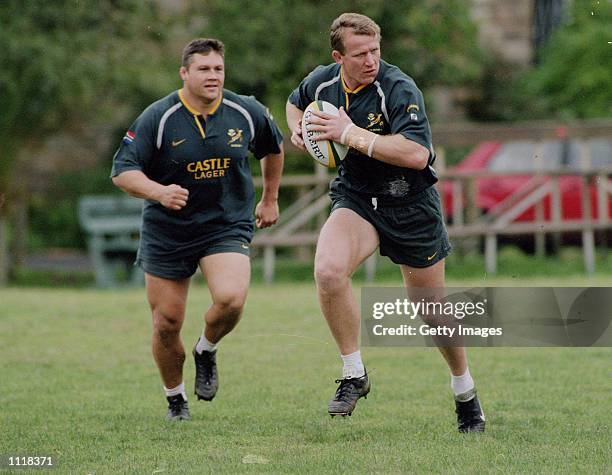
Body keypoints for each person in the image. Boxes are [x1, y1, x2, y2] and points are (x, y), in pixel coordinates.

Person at [286, 13, 485, 432]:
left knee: (431, 311)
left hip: (409, 202)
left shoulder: (397, 88)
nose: (371, 60)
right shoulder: (323, 82)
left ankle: (464, 391)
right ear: (338, 57)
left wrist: (349, 133)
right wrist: (299, 131)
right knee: (327, 270)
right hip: (357, 198)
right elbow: (294, 102)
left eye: (376, 50)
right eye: (360, 54)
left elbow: (417, 154)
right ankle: (353, 372)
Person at [111, 38, 284, 421]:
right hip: (168, 230)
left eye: (218, 69)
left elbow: (273, 148)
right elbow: (122, 171)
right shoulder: (159, 117)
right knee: (166, 322)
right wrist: (159, 192)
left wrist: (270, 199)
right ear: (184, 73)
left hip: (225, 224)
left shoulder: (245, 110)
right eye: (204, 69)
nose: (213, 76)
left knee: (232, 298)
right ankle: (176, 400)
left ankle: (206, 348)